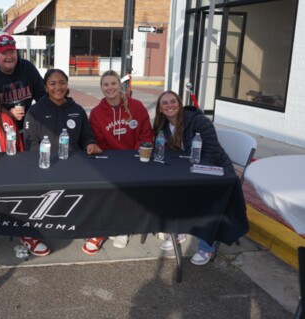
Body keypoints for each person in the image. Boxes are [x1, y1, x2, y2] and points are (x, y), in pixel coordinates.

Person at [24, 68, 102, 256]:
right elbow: (30, 144)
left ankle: (96, 231)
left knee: (99, 187)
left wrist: (91, 144)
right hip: (45, 166)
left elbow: (87, 136)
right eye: (53, 83)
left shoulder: (77, 110)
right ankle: (28, 235)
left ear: (67, 85)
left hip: (75, 166)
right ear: (45, 87)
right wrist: (47, 163)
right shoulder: (35, 111)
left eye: (62, 83)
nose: (58, 87)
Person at [152, 90, 234, 265]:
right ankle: (179, 230)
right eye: (164, 103)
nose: (169, 106)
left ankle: (206, 246)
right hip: (189, 170)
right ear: (160, 109)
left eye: (173, 101)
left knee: (206, 198)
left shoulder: (198, 121)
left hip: (216, 170)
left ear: (180, 104)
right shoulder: (163, 127)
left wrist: (195, 175)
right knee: (168, 189)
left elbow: (212, 151)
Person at [87, 70, 154, 253]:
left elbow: (146, 135)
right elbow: (99, 141)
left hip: (135, 159)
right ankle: (117, 226)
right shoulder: (96, 113)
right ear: (101, 88)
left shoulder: (137, 107)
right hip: (112, 161)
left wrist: (134, 157)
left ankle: (126, 227)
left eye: (113, 83)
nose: (110, 88)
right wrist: (114, 159)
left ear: (120, 85)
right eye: (106, 84)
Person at [0, 34, 46, 131]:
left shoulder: (28, 68)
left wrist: (33, 114)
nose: (9, 57)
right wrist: (7, 114)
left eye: (12, 52)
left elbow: (42, 96)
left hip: (28, 127)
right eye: (4, 53)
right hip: (0, 128)